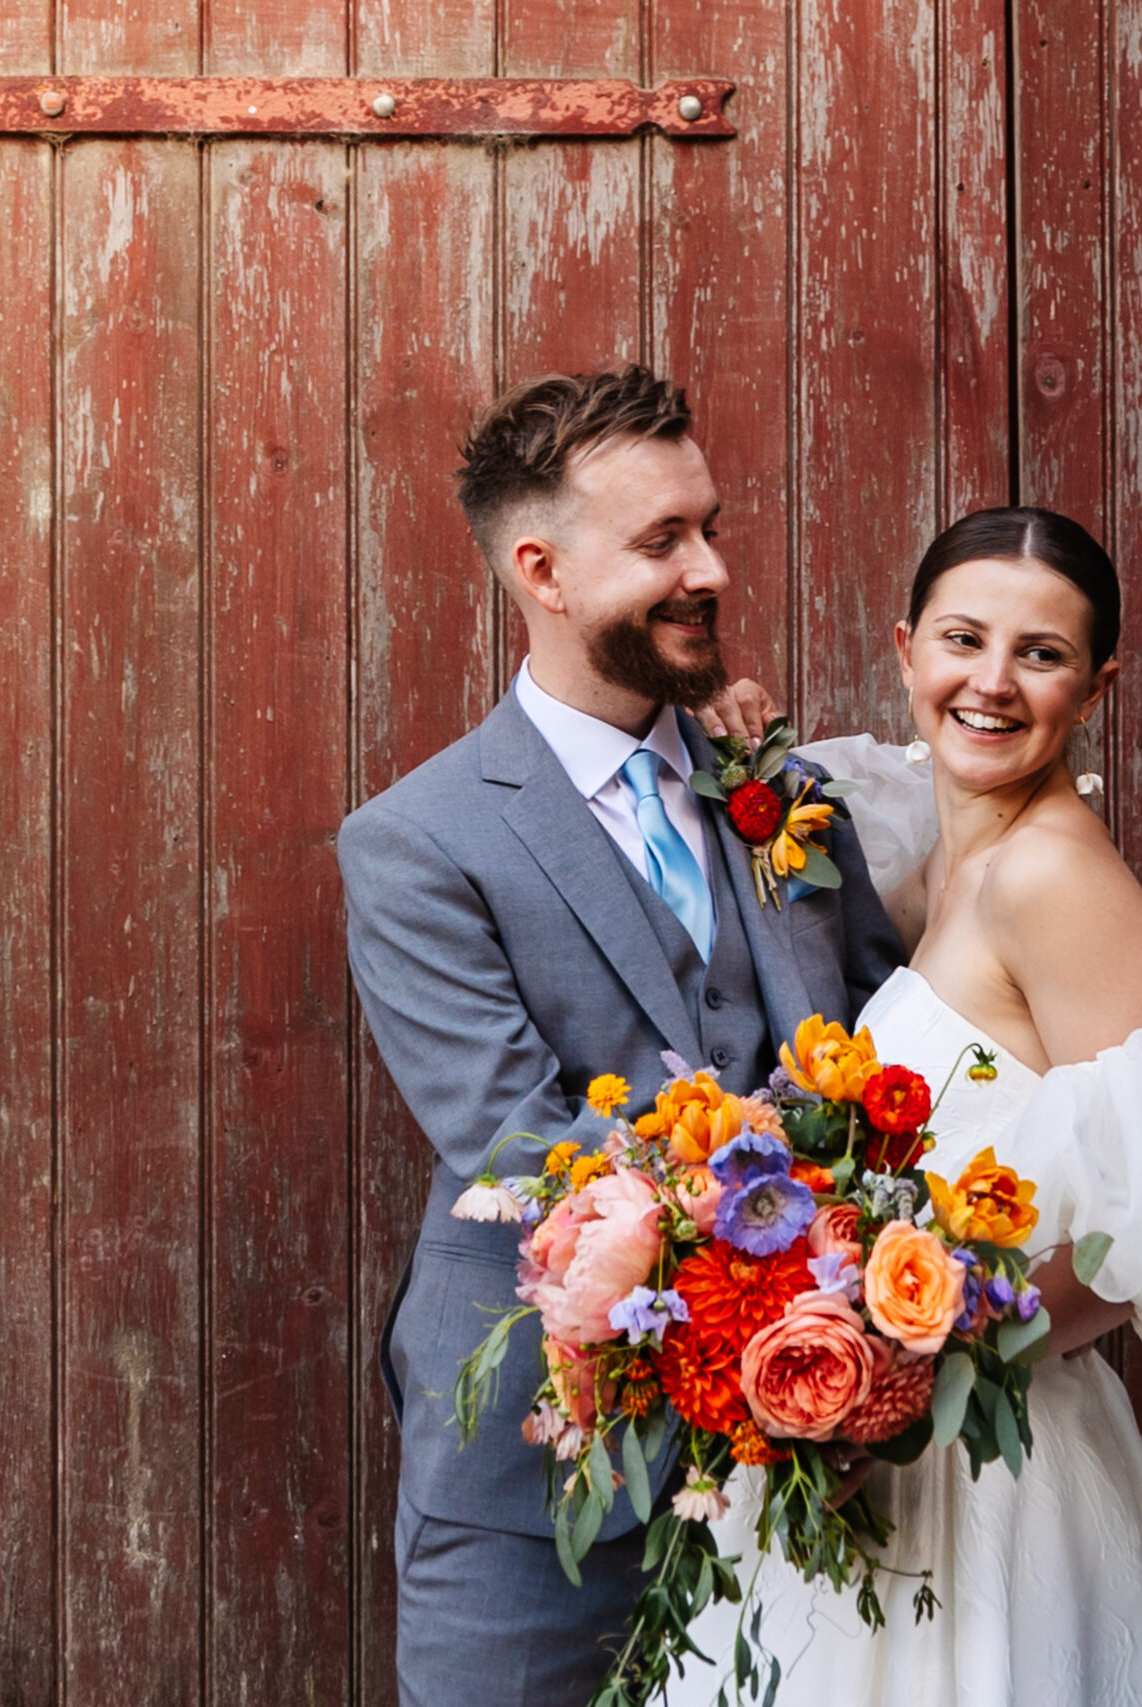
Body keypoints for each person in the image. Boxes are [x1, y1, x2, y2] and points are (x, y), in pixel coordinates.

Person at [667, 507, 1142, 1707]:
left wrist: (919, 1379)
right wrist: (740, 759)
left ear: (1097, 685)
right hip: (878, 1439)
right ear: (905, 648)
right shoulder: (939, 858)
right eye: (963, 640)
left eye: (1041, 653)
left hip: (980, 1461)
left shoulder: (1052, 877)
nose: (990, 683)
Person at [337, 364, 905, 1707]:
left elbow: (894, 1043)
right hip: (547, 1462)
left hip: (806, 1445)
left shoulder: (776, 790)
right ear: (540, 566)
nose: (708, 567)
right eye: (662, 542)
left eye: (707, 525)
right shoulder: (418, 843)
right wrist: (787, 1241)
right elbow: (518, 1137)